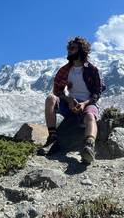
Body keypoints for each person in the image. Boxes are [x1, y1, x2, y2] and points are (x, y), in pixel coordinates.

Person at [42, 36, 105, 164]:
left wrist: (84, 103)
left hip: (87, 103)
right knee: (50, 98)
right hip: (70, 105)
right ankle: (52, 137)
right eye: (68, 48)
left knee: (90, 117)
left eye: (72, 48)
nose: (69, 51)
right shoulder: (65, 70)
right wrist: (68, 99)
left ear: (81, 50)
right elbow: (57, 91)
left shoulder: (92, 70)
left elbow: (97, 93)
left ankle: (89, 146)